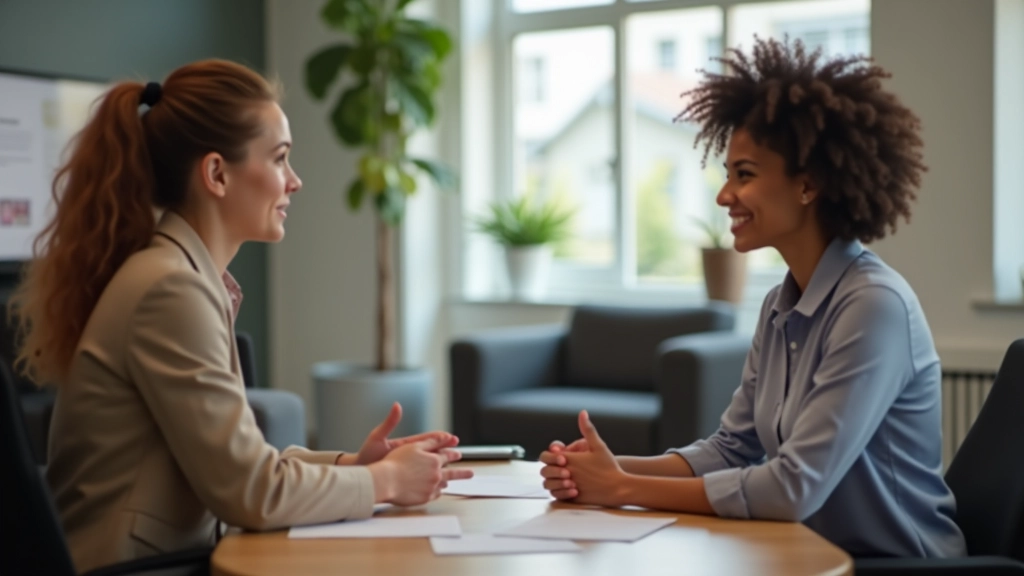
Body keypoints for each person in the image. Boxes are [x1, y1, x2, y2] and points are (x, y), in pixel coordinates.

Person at [7, 60, 472, 573]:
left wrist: (353, 465)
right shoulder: (170, 288)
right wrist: (385, 482)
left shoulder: (178, 275)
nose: (294, 181)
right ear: (216, 174)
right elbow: (252, 493)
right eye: (279, 159)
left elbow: (243, 465)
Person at [538, 37, 966, 558]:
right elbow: (733, 449)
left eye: (745, 175)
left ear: (807, 184)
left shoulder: (873, 307)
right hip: (807, 553)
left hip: (890, 564)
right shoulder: (780, 306)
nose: (724, 196)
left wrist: (624, 490)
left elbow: (791, 489)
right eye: (727, 175)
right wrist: (610, 468)